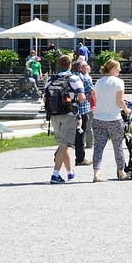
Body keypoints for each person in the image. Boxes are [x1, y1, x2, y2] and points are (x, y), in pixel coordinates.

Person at [46, 54, 86, 184]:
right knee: (64, 144)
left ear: (59, 65)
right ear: (70, 65)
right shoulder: (74, 78)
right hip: (69, 114)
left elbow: (45, 98)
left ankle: (70, 173)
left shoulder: (50, 80)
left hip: (54, 114)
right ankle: (55, 174)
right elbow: (82, 97)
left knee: (63, 143)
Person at [89, 58, 129, 182]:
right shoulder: (118, 82)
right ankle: (121, 171)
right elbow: (120, 101)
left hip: (98, 117)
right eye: (118, 67)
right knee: (118, 146)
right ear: (112, 68)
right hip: (113, 118)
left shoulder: (99, 82)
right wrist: (126, 110)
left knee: (99, 146)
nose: (120, 69)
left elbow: (95, 98)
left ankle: (97, 172)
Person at [72, 59, 96, 167]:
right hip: (83, 109)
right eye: (86, 66)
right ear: (80, 68)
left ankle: (59, 153)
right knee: (80, 134)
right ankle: (80, 158)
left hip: (71, 110)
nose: (88, 67)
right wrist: (97, 104)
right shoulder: (85, 78)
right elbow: (92, 93)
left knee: (69, 134)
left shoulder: (71, 77)